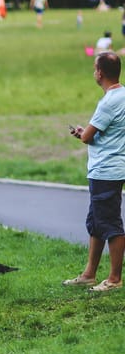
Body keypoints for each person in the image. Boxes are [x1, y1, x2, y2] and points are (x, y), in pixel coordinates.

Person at [65, 51, 125, 291]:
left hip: (105, 170)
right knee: (97, 222)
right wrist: (89, 133)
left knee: (110, 223)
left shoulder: (108, 102)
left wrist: (82, 133)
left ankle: (114, 279)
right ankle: (89, 273)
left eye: (94, 68)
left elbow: (88, 136)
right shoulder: (123, 95)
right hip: (115, 165)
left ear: (100, 73)